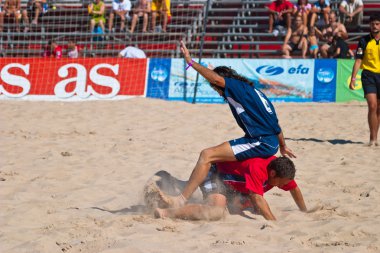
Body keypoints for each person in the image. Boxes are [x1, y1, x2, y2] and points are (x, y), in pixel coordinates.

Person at [153, 40, 296, 209]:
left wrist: (191, 62)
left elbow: (216, 79)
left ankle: (181, 199)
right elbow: (276, 124)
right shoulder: (255, 93)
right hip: (269, 141)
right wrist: (283, 145)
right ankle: (203, 189)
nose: (219, 93)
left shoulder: (237, 88)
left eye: (217, 89)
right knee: (223, 161)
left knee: (207, 155)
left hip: (261, 142)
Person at [153, 156, 307, 221]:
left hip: (234, 185)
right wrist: (275, 224)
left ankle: (172, 182)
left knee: (245, 206)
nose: (282, 186)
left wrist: (304, 211)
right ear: (273, 173)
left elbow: (295, 190)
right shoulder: (258, 169)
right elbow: (257, 197)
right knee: (215, 211)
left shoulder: (281, 171)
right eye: (280, 183)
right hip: (215, 174)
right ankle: (165, 212)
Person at [350, 14, 380, 147]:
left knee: (379, 108)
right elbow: (358, 60)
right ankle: (372, 139)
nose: (375, 26)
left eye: (377, 24)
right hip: (368, 75)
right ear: (370, 25)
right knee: (372, 105)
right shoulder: (363, 40)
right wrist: (353, 78)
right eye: (373, 24)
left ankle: (375, 137)